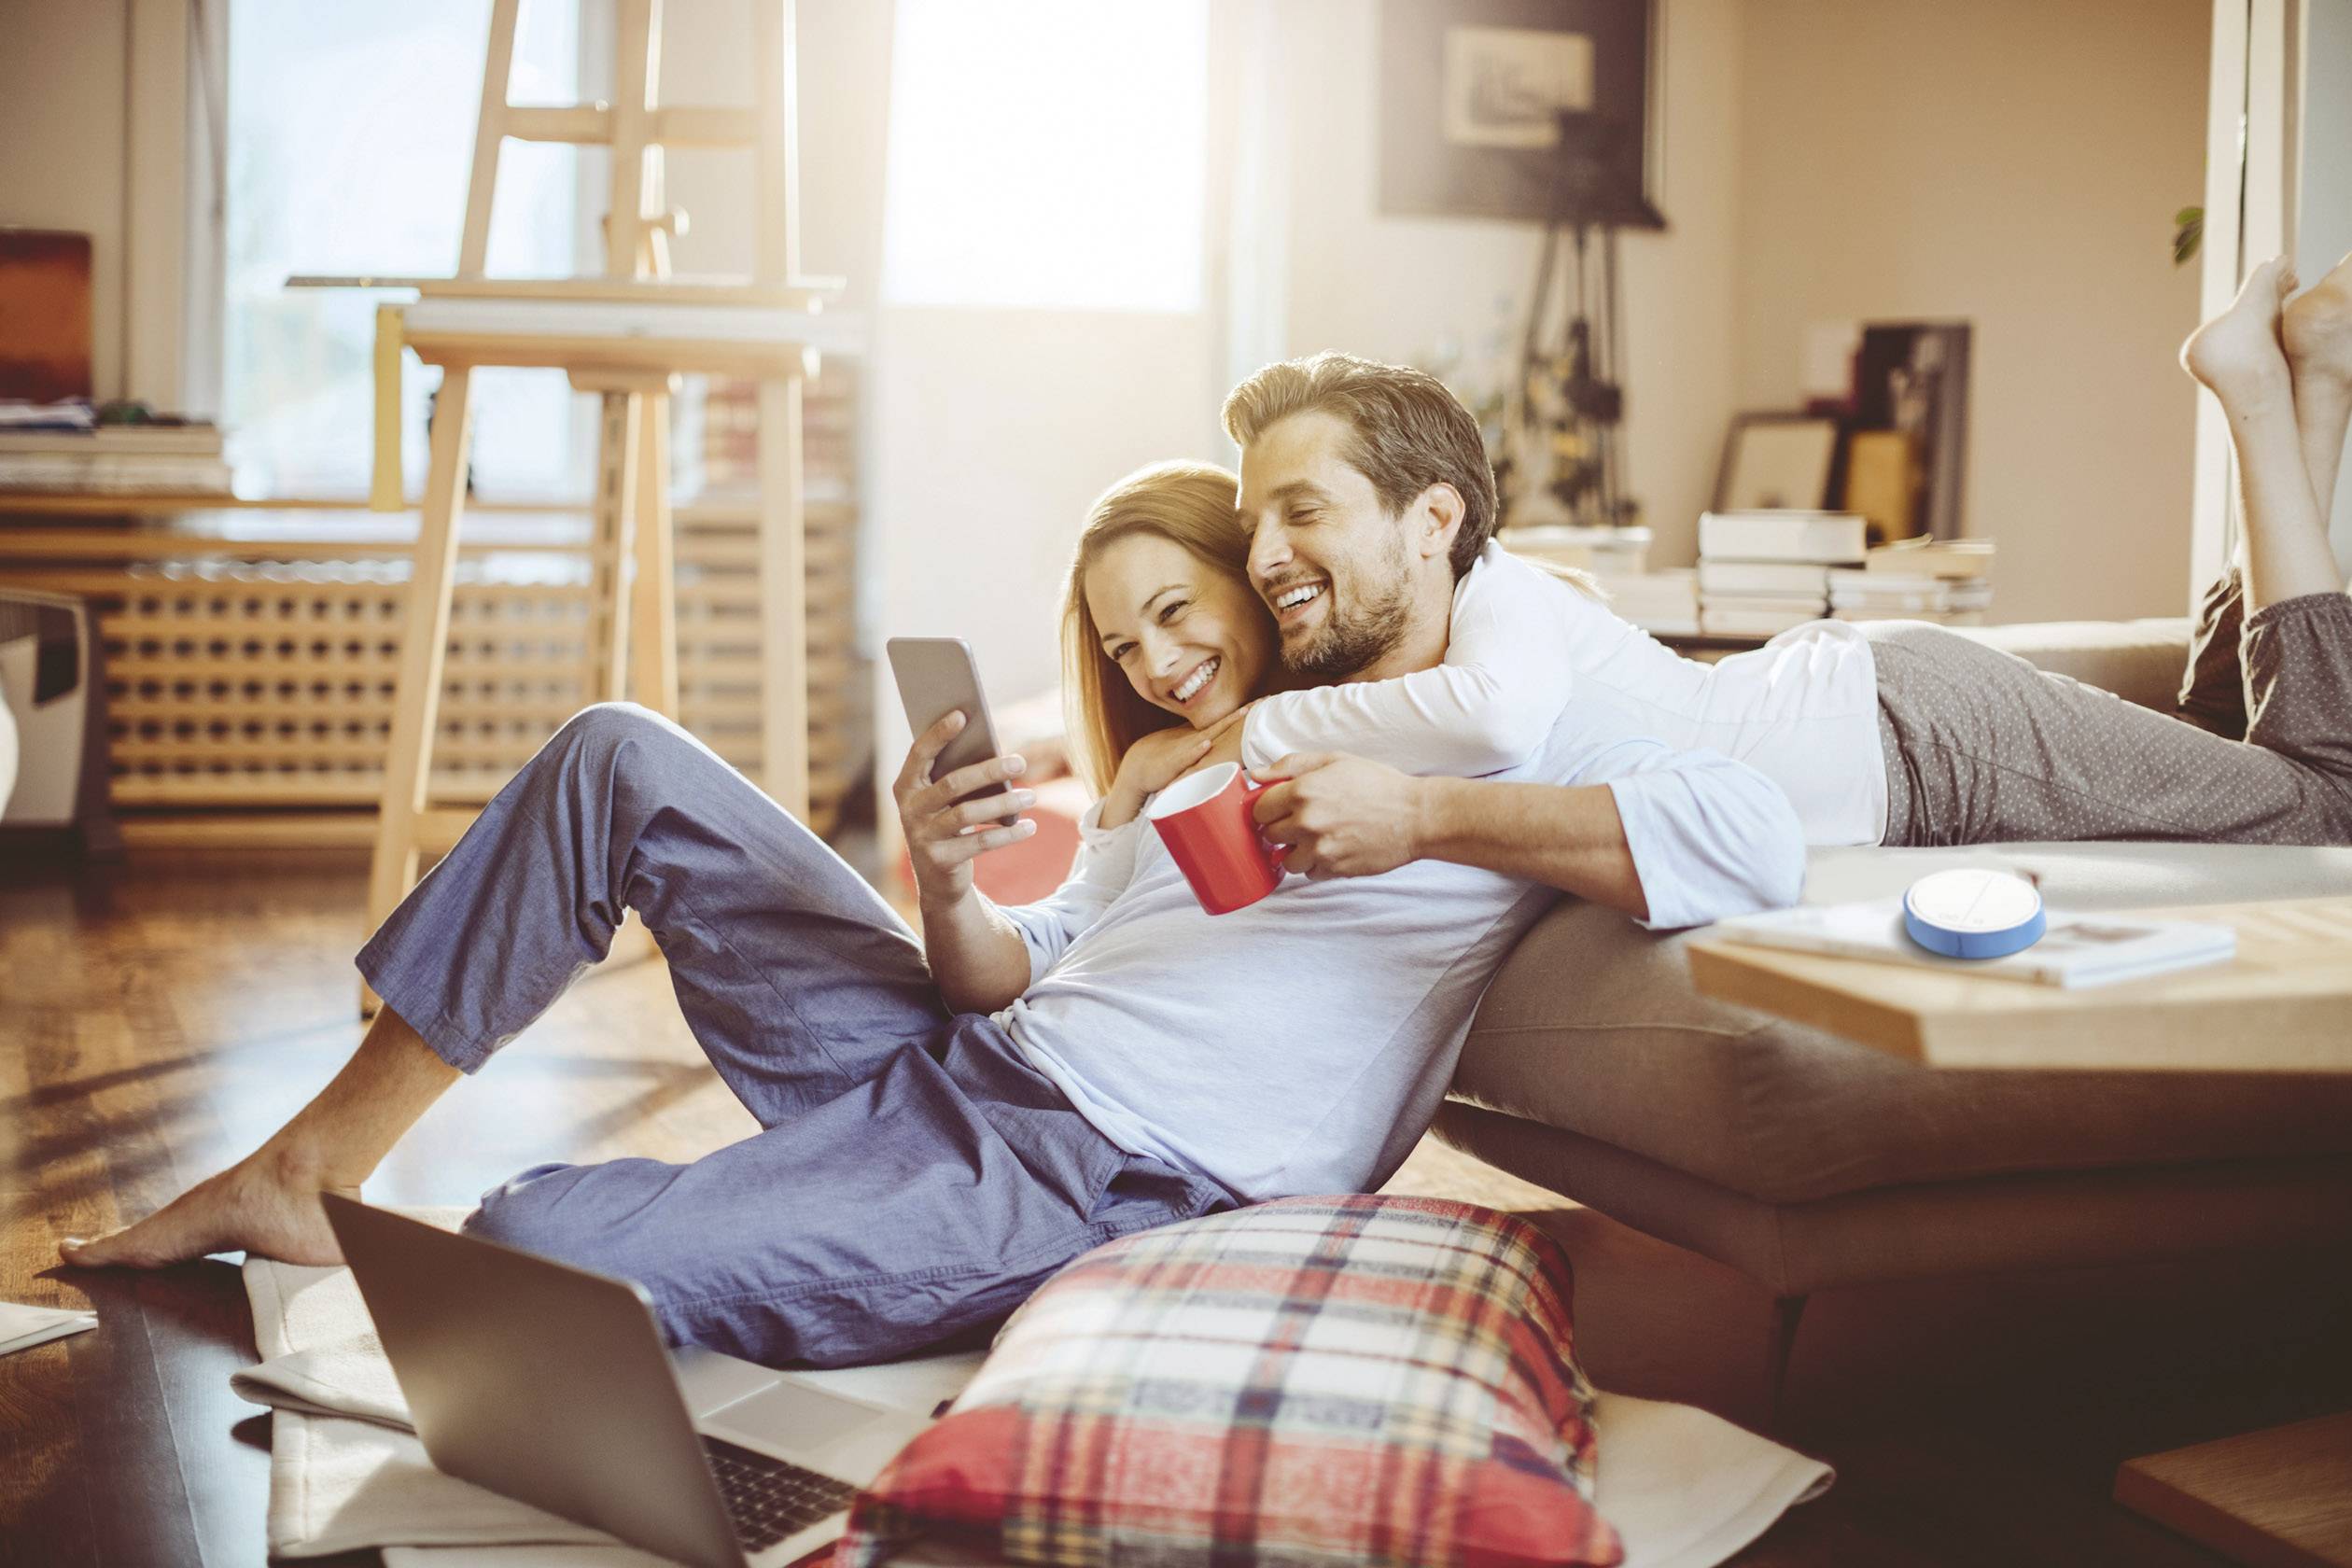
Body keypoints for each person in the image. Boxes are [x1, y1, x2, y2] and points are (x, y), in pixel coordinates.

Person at [61, 381, 1801, 1369]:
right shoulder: (1193, 764)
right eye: (1134, 640)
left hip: (1101, 1165)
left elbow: (1748, 834)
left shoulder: (1507, 693)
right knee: (618, 753)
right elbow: (1024, 970)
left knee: (531, 1252)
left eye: (1211, 594)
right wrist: (947, 874)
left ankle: (694, 1234)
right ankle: (310, 1165)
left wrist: (1422, 823)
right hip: (972, 1057)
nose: (1187, 646)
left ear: (1414, 525)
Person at [1233, 255, 2352, 883]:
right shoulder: (1400, 650)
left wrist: (1234, 736)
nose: (1265, 552)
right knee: (2231, 772)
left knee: (2325, 818)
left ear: (1434, 519)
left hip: (1926, 746)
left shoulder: (1500, 603)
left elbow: (1490, 722)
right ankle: (2319, 383)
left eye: (1301, 510)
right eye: (1251, 526)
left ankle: (2259, 394)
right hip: (1887, 715)